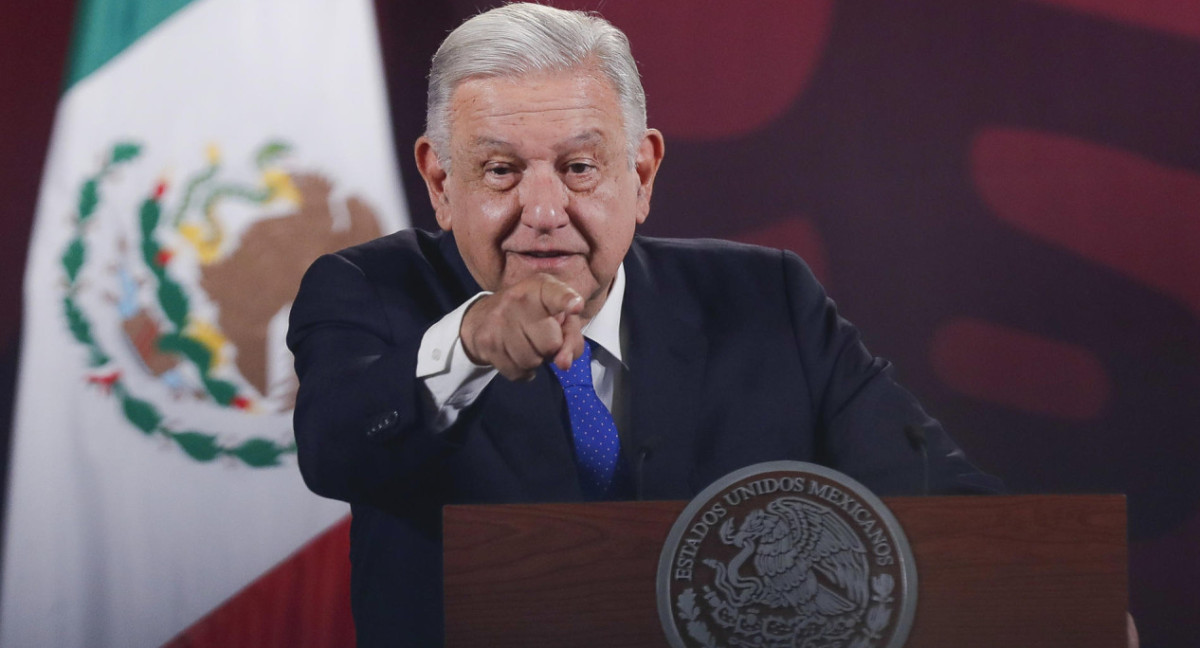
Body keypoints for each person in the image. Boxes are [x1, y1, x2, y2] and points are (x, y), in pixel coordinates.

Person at [287, 3, 1001, 645]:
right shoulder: (367, 291)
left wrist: (1062, 604)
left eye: (579, 167)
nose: (542, 210)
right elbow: (333, 445)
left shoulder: (764, 298)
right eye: (501, 170)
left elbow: (948, 504)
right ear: (442, 184)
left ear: (643, 173)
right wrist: (470, 342)